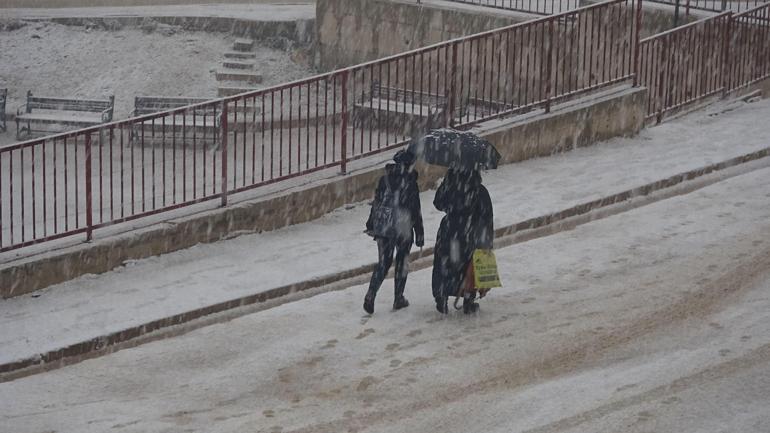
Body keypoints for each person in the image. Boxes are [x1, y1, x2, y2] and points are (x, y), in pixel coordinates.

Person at [363, 149, 424, 314]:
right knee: (402, 261)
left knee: (384, 262)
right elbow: (415, 210)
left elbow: (377, 203)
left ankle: (371, 293)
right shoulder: (410, 182)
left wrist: (371, 224)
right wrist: (419, 233)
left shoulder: (385, 180)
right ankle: (398, 297)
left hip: (384, 226)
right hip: (403, 227)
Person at [431, 168, 493, 314]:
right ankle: (468, 299)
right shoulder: (479, 191)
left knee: (444, 263)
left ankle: (441, 296)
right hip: (469, 234)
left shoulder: (449, 187)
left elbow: (438, 203)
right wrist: (486, 242)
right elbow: (486, 216)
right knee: (467, 266)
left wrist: (447, 187)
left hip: (448, 230)